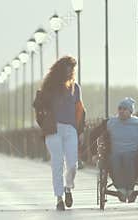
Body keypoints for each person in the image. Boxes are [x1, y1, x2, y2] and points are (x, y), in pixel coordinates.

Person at [33, 55, 85, 211]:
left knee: (72, 164)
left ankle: (68, 187)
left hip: (70, 130)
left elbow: (80, 110)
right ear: (60, 71)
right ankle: (59, 198)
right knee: (57, 163)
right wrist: (44, 126)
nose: (71, 73)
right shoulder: (49, 88)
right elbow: (38, 108)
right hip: (53, 129)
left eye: (72, 70)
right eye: (68, 69)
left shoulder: (76, 88)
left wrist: (80, 131)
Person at [107, 97, 138, 202]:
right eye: (120, 108)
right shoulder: (111, 122)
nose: (121, 111)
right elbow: (95, 133)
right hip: (116, 153)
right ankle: (120, 188)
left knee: (127, 157)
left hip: (133, 153)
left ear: (130, 111)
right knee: (114, 159)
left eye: (124, 109)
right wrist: (93, 153)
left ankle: (130, 188)